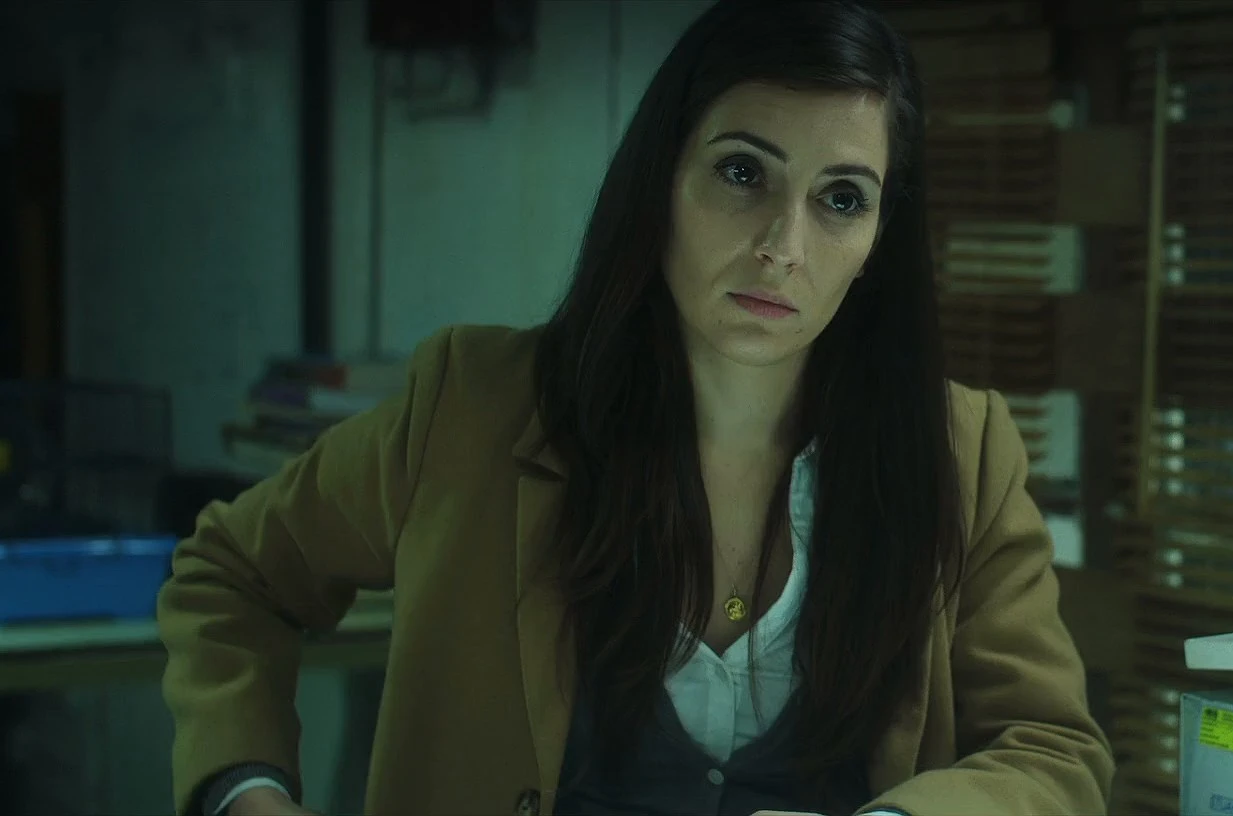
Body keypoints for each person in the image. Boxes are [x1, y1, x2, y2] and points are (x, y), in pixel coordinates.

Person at [154, 0, 1114, 814]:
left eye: (841, 199)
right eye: (743, 173)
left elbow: (1053, 749)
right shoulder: (474, 407)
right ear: (663, 176)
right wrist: (245, 791)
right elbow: (234, 573)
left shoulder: (962, 455)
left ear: (878, 238)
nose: (783, 246)